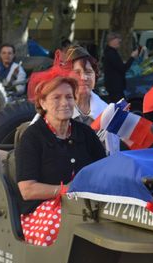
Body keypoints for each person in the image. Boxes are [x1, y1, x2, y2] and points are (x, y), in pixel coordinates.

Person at [16, 71, 105, 246]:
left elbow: (103, 171)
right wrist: (66, 190)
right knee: (64, 233)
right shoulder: (32, 137)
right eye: (56, 98)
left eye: (69, 97)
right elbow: (27, 190)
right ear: (43, 103)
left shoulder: (85, 133)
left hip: (86, 207)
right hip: (42, 211)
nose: (64, 103)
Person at [102, 31, 140, 103]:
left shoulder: (110, 52)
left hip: (114, 86)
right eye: (118, 39)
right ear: (111, 41)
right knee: (121, 107)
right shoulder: (111, 53)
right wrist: (132, 57)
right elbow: (123, 68)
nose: (120, 41)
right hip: (115, 87)